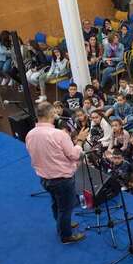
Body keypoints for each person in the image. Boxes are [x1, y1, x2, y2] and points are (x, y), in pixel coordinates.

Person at [25, 102, 89, 244]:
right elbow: (74, 155)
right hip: (62, 180)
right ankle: (66, 236)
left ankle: (62, 224)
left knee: (56, 203)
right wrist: (80, 141)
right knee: (65, 209)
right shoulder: (59, 134)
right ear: (51, 114)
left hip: (44, 179)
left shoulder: (30, 134)